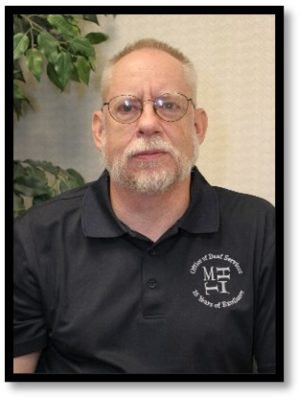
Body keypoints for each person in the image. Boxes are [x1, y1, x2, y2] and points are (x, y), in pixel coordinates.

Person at [13, 38, 275, 374]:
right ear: (99, 131)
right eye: (126, 107)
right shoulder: (34, 237)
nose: (148, 123)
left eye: (168, 105)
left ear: (197, 126)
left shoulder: (262, 229)